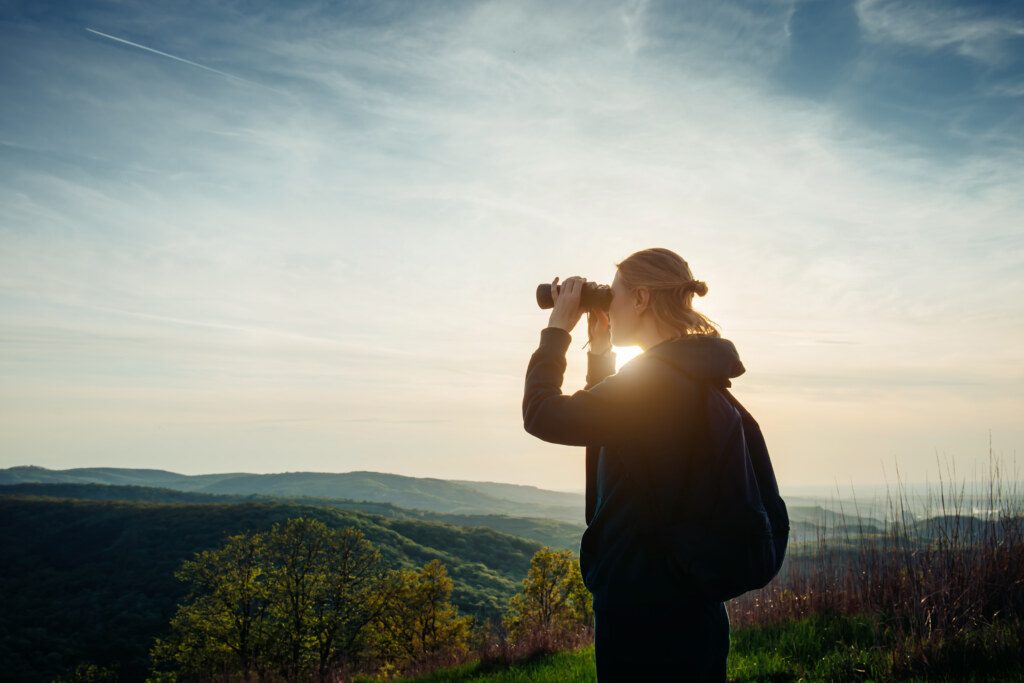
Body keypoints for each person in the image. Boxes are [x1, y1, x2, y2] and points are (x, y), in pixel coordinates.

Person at [522, 247, 747, 681]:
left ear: (642, 299)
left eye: (616, 295)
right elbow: (615, 435)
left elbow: (542, 414)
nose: (611, 304)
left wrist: (557, 331)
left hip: (643, 612)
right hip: (691, 609)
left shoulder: (655, 382)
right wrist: (601, 353)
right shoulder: (693, 374)